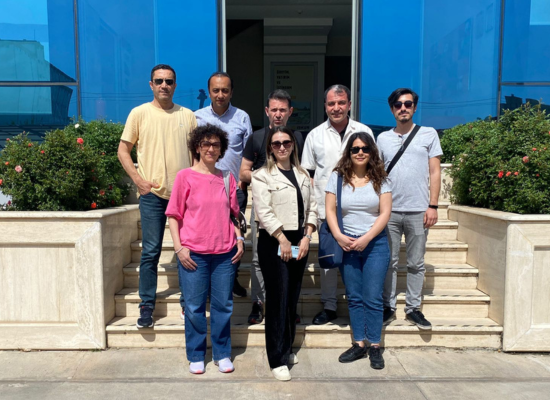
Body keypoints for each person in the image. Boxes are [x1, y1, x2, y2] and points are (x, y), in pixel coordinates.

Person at [117, 64, 197, 329]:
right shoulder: (139, 113)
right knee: (150, 251)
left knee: (188, 251)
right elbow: (123, 151)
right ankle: (147, 305)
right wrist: (138, 180)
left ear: (175, 85)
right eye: (159, 81)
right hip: (152, 195)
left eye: (169, 81)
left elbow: (197, 155)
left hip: (184, 196)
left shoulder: (188, 115)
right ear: (151, 84)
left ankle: (189, 302)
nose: (164, 85)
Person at [166, 124, 244, 375]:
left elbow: (235, 215)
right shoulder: (184, 177)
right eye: (206, 144)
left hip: (224, 253)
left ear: (221, 149)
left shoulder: (227, 177)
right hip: (193, 254)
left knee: (223, 306)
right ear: (197, 147)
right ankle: (196, 354)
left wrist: (240, 240)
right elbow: (173, 216)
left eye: (216, 145)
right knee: (194, 307)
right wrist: (179, 249)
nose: (211, 148)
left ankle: (222, 353)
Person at [301, 84, 374, 325]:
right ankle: (330, 306)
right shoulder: (315, 135)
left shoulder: (364, 132)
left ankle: (364, 305)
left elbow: (376, 170)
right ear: (325, 107)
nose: (336, 108)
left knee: (362, 259)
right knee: (330, 260)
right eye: (331, 103)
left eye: (341, 103)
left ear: (350, 105)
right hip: (327, 210)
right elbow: (308, 175)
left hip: (361, 209)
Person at [252, 126, 317, 381]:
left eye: (286, 142)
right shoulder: (261, 175)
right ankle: (276, 358)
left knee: (292, 297)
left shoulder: (302, 174)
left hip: (299, 240)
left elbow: (313, 207)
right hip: (274, 241)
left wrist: (307, 236)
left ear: (293, 145)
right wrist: (282, 238)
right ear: (269, 147)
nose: (281, 147)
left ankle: (287, 347)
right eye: (276, 143)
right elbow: (263, 211)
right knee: (278, 299)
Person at [377, 88, 443, 330]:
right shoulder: (382, 138)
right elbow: (378, 174)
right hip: (389, 211)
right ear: (392, 109)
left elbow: (435, 171)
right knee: (389, 262)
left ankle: (413, 308)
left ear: (414, 107)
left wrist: (433, 205)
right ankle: (388, 306)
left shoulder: (428, 134)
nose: (402, 108)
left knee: (416, 262)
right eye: (397, 104)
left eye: (407, 104)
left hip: (418, 210)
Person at [325, 132, 391, 369]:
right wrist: (340, 236)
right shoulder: (337, 177)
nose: (360, 152)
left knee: (372, 297)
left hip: (375, 245)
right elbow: (330, 211)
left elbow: (384, 213)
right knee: (354, 297)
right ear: (349, 153)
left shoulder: (381, 178)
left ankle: (374, 345)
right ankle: (359, 344)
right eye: (355, 149)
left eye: (364, 148)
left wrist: (366, 238)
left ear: (372, 151)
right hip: (347, 244)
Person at [239, 89, 305, 325]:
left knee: (292, 257)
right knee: (258, 258)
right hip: (264, 210)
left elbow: (301, 172)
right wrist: (267, 176)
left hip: (291, 211)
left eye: (282, 110)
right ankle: (259, 303)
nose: (278, 114)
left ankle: (289, 304)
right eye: (274, 109)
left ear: (290, 112)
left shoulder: (297, 137)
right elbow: (243, 172)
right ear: (267, 111)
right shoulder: (256, 138)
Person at [194, 71, 252, 301]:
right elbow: (192, 154)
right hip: (204, 188)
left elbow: (249, 153)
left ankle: (231, 278)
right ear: (209, 92)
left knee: (236, 235)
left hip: (234, 188)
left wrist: (243, 178)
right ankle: (207, 283)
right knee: (208, 234)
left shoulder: (242, 117)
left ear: (231, 92)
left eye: (225, 90)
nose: (220, 94)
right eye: (216, 90)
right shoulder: (197, 117)